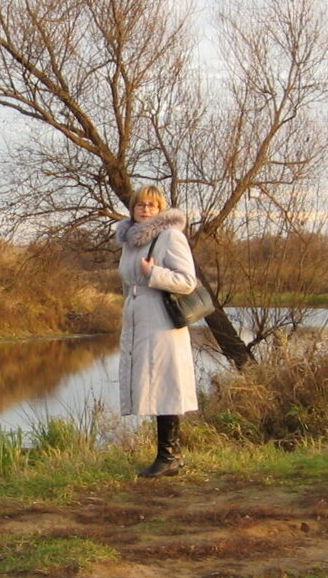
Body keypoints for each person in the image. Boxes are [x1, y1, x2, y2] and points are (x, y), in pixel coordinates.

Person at [115, 185, 199, 478]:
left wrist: (154, 274)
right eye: (141, 204)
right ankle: (166, 455)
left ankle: (170, 456)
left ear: (160, 209)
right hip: (138, 318)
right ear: (133, 208)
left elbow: (188, 281)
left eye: (152, 205)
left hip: (162, 322)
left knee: (165, 385)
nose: (146, 209)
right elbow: (127, 282)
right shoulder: (129, 242)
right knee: (150, 385)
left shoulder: (170, 236)